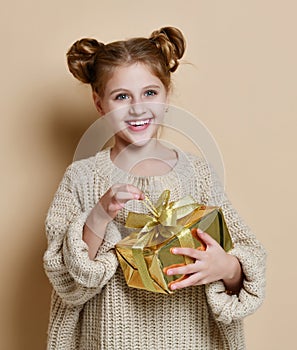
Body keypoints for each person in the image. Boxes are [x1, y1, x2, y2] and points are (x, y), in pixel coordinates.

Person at [43, 27, 266, 349]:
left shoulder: (198, 173)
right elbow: (69, 279)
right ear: (99, 104)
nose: (137, 108)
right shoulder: (82, 177)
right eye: (122, 96)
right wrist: (99, 215)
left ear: (166, 94)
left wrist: (227, 267)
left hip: (191, 337)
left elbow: (246, 255)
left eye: (150, 93)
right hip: (109, 338)